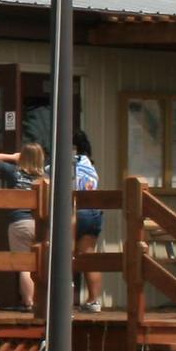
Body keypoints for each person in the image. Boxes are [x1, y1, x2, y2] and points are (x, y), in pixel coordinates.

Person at [0, 141, 46, 310]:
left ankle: (29, 302)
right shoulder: (46, 178)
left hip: (20, 222)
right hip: (41, 224)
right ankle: (43, 302)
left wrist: (13, 157)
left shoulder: (15, 172)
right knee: (41, 264)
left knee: (24, 266)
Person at [71, 128, 105, 310]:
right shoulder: (89, 164)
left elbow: (43, 174)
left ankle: (60, 300)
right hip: (93, 212)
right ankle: (94, 301)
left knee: (64, 255)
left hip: (74, 211)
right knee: (88, 256)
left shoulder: (66, 162)